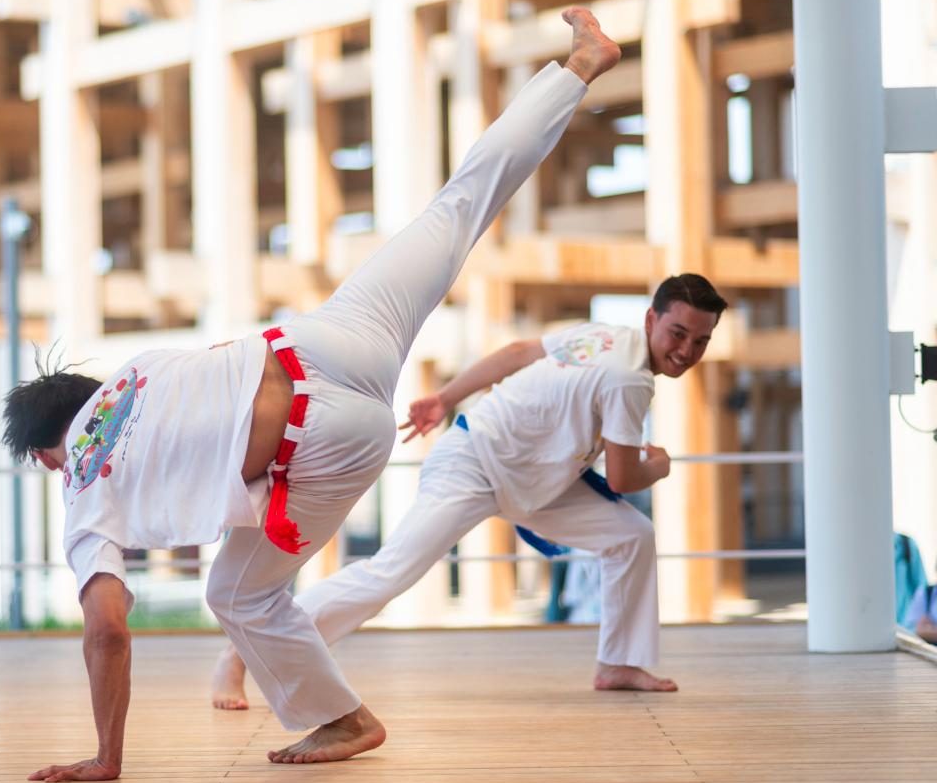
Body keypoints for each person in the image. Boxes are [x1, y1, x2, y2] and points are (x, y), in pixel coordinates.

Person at [2, 7, 621, 783]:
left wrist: (109, 756)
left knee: (233, 590)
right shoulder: (139, 372)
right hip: (327, 336)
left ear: (50, 450)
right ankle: (581, 64)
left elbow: (108, 633)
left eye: (50, 464)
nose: (61, 474)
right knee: (459, 204)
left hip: (331, 433)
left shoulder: (85, 480)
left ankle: (344, 717)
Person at [212, 272, 728, 708]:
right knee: (389, 574)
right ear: (651, 321)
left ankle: (619, 662)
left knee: (630, 536)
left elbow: (521, 351)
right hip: (476, 462)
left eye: (700, 341)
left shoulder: (611, 336)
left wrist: (446, 396)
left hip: (537, 483)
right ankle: (247, 645)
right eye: (678, 334)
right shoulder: (630, 379)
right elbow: (623, 478)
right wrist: (658, 465)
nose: (686, 351)